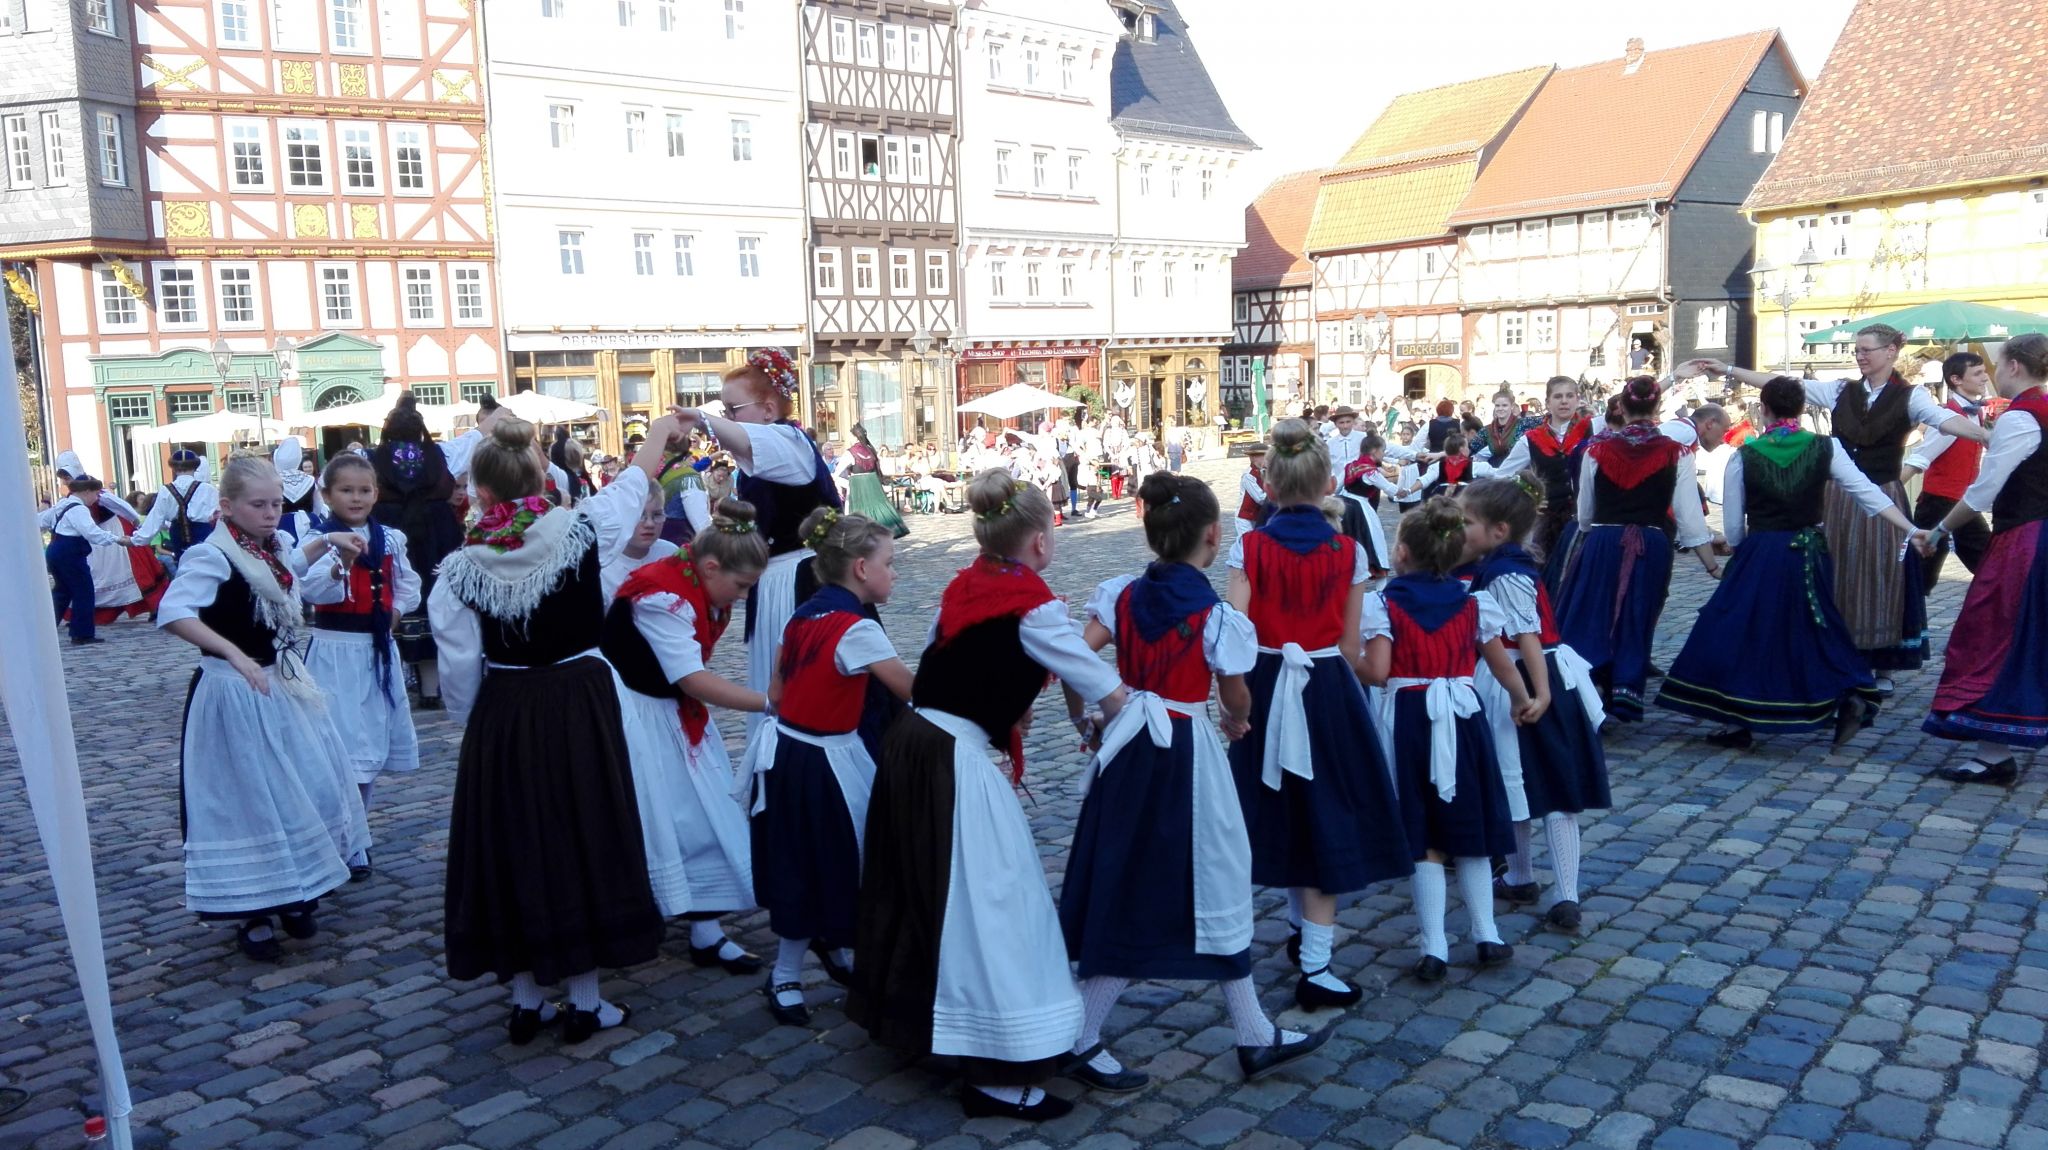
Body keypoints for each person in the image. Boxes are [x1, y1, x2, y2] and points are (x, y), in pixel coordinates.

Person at [849, 470, 1126, 1121]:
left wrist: (1041, 709)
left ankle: (929, 1022)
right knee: (993, 906)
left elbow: (952, 665)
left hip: (914, 744)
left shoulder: (968, 584)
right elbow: (1101, 684)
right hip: (952, 758)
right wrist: (1123, 728)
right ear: (1040, 540)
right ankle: (996, 1072)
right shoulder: (1033, 607)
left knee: (931, 891)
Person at [1064, 471, 1330, 1086]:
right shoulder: (1215, 616)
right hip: (1183, 752)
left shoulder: (1121, 594)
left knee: (1177, 876)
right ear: (1213, 535)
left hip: (1128, 751)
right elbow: (1234, 694)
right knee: (1193, 876)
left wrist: (1091, 719)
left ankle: (1253, 1031)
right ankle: (1081, 1033)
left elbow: (1077, 656)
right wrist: (1238, 719)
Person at [429, 415, 670, 1046]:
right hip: (577, 701)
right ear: (542, 478)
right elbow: (634, 481)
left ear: (481, 492)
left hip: (506, 707)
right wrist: (663, 430)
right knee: (585, 831)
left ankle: (527, 1000)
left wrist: (479, 723)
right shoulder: (583, 526)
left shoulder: (461, 567)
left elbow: (457, 664)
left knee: (513, 840)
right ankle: (585, 1002)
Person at [1226, 420, 1410, 1010]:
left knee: (1278, 807)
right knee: (1327, 812)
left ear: (1269, 485)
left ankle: (1295, 933)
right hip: (1328, 687)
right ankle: (1316, 963)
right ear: (1329, 483)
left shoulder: (1249, 546)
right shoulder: (1347, 551)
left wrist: (1233, 701)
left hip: (1263, 682)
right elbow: (1352, 646)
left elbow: (1234, 635)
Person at [157, 452, 369, 961]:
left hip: (281, 685)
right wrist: (231, 653)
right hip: (234, 691)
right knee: (249, 799)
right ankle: (252, 911)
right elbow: (174, 611)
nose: (271, 512)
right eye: (259, 505)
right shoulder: (212, 554)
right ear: (228, 506)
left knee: (305, 784)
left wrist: (328, 543)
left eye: (276, 503)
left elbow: (287, 574)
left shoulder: (274, 545)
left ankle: (297, 889)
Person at [1700, 328, 1987, 694]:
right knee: (1836, 574)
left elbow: (1944, 420)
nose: (1859, 356)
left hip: (1882, 491)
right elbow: (1781, 386)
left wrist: (1986, 436)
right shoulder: (1840, 391)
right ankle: (1838, 655)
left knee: (1883, 574)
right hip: (1837, 496)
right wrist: (1728, 369)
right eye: (1857, 350)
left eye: (1867, 350)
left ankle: (1883, 664)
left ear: (1891, 351)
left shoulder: (1911, 396)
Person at [1657, 377, 1919, 750]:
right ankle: (1851, 692)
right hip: (1808, 550)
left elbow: (1733, 523)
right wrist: (1911, 528)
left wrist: (1739, 552)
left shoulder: (1744, 455)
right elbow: (1867, 493)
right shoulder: (1826, 447)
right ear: (1801, 409)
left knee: (1739, 629)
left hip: (1762, 550)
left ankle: (1737, 719)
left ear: (1763, 410)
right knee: (1818, 627)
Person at [741, 509, 913, 1026]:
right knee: (838, 858)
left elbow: (776, 692)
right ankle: (789, 972)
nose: (894, 572)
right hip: (827, 759)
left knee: (803, 860)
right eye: (889, 562)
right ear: (861, 568)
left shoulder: (801, 616)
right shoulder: (857, 628)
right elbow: (913, 691)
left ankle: (810, 960)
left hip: (787, 755)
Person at [601, 475, 771, 981]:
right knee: (659, 812)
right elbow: (691, 678)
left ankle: (705, 927)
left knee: (702, 807)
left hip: (669, 710)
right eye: (741, 587)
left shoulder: (691, 575)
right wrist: (769, 703)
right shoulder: (663, 596)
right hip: (636, 712)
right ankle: (643, 913)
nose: (742, 598)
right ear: (712, 567)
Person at [1359, 498, 1529, 980]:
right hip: (1464, 719)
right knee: (1469, 830)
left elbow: (1378, 671)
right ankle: (1487, 933)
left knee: (1424, 833)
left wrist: (1345, 655)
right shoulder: (1473, 602)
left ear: (1402, 553)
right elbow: (1500, 663)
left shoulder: (1384, 603)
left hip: (1410, 721)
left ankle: (1434, 945)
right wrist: (1522, 698)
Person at [1460, 476, 1608, 932]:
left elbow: (1527, 636)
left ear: (1499, 530)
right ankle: (1522, 876)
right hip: (1519, 678)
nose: (1460, 529)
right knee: (1517, 780)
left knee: (1549, 783)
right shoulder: (1498, 565)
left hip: (1527, 680)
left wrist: (1538, 693)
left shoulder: (1506, 573)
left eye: (1467, 521)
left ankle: (1565, 893)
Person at [674, 349, 844, 740]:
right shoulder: (769, 447)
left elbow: (746, 438)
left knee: (798, 681)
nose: (728, 418)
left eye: (733, 409)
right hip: (777, 578)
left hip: (800, 578)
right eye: (725, 410)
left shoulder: (787, 440)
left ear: (769, 409)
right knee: (776, 676)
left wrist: (701, 418)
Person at [1919, 334, 2048, 785]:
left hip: (2025, 540)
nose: (1993, 374)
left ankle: (1993, 753)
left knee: (1990, 633)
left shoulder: (2021, 418)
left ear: (2014, 366)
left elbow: (1983, 491)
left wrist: (1939, 530)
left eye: (1997, 365)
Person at [1553, 377, 1718, 722]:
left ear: (1622, 408)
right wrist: (1711, 566)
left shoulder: (1597, 450)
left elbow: (1585, 513)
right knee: (1637, 614)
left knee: (1592, 612)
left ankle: (1590, 684)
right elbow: (1689, 518)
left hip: (1602, 540)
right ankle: (1624, 689)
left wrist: (1596, 532)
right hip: (1650, 542)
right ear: (1657, 408)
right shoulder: (1676, 452)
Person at [297, 453, 424, 883]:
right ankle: (335, 835)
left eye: (364, 490)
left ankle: (357, 837)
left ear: (376, 493)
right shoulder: (317, 538)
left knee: (366, 748)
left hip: (375, 651)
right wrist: (342, 565)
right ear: (327, 494)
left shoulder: (389, 538)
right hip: (334, 651)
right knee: (338, 748)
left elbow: (407, 583)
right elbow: (312, 590)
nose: (356, 497)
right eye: (346, 490)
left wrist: (396, 612)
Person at [373, 393, 462, 710]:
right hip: (435, 533)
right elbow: (449, 485)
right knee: (432, 599)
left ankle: (394, 683)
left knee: (394, 595)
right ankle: (430, 688)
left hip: (389, 528)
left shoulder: (376, 457)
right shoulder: (435, 454)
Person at [1477, 377, 1594, 594]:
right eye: (1558, 396)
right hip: (1548, 521)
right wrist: (1530, 495)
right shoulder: (1531, 440)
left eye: (1569, 396)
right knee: (1548, 579)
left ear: (1578, 399)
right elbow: (1503, 476)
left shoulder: (1593, 429)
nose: (1564, 401)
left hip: (1585, 520)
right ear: (1547, 402)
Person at [1905, 351, 2004, 586]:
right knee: (1923, 571)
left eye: (1984, 372)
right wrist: (1889, 491)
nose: (1984, 377)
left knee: (1987, 562)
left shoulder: (1975, 413)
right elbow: (1920, 458)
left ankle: (2000, 600)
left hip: (1961, 502)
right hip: (1937, 504)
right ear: (1956, 380)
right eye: (1977, 373)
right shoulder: (1948, 418)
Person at [45, 475, 132, 645]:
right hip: (69, 553)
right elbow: (92, 532)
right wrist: (117, 539)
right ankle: (82, 633)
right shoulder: (79, 509)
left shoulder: (63, 504)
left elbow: (43, 520)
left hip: (56, 550)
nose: (97, 498)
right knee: (83, 591)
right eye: (96, 493)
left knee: (63, 591)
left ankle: (46, 628)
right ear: (86, 491)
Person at [601, 482, 680, 607]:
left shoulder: (671, 554)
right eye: (639, 515)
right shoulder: (603, 567)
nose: (650, 524)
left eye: (657, 515)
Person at [133, 449, 218, 562]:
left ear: (173, 468)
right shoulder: (208, 489)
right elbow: (220, 516)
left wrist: (135, 539)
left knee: (183, 565)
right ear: (196, 467)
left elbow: (155, 519)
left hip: (178, 533)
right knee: (206, 565)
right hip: (203, 533)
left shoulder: (165, 490)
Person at [1335, 436, 1396, 578]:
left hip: (1344, 507)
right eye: (1382, 450)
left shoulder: (1350, 466)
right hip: (1361, 508)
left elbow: (1336, 488)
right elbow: (1392, 490)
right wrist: (1409, 490)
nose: (1383, 454)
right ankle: (1379, 579)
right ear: (1374, 451)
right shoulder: (1371, 472)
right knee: (1376, 542)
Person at [841, 423, 911, 540]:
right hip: (873, 483)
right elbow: (876, 469)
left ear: (854, 437)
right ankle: (882, 533)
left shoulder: (850, 452)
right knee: (878, 510)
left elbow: (837, 473)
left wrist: (844, 482)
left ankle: (859, 536)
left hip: (858, 485)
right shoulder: (870, 450)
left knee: (856, 512)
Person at [273, 439, 323, 545]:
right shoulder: (309, 479)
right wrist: (313, 517)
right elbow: (318, 505)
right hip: (309, 522)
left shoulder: (273, 480)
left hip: (282, 524)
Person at [1411, 432, 1475, 502]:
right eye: (1467, 446)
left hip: (1440, 496)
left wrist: (1409, 491)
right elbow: (1425, 480)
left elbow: (1425, 479)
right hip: (1463, 497)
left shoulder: (1438, 465)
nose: (1469, 449)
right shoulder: (1473, 465)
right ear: (1461, 449)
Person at [1477, 390, 1530, 469]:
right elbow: (1472, 448)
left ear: (1512, 406)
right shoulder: (1487, 430)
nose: (1500, 408)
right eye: (1497, 406)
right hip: (1496, 469)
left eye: (1504, 405)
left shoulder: (1523, 424)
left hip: (1518, 469)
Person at [1324, 407, 1366, 484]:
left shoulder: (1363, 438)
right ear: (1336, 424)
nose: (1345, 426)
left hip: (1360, 483)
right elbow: (1327, 466)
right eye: (1341, 423)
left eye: (1348, 422)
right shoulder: (1330, 443)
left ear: (1353, 422)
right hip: (1338, 484)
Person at [1235, 444, 1269, 536]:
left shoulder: (1266, 472)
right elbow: (1260, 498)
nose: (1268, 459)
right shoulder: (1248, 475)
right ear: (1254, 458)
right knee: (1247, 542)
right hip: (1245, 517)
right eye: (1264, 456)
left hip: (1258, 516)